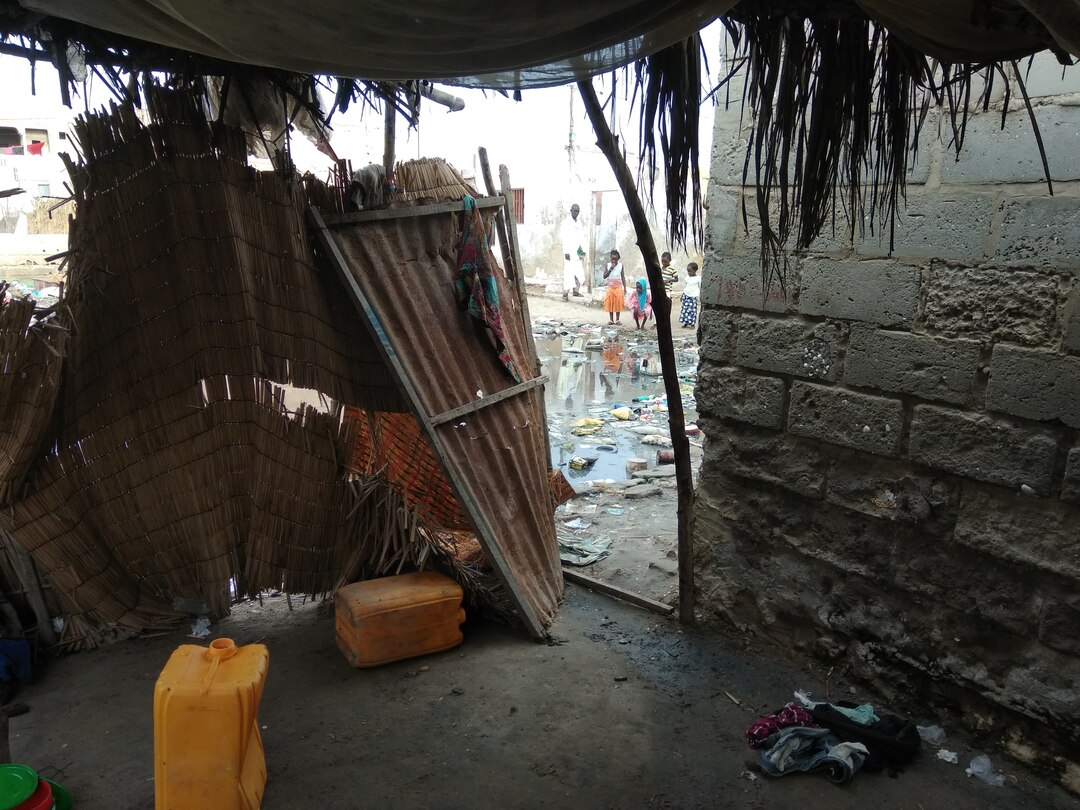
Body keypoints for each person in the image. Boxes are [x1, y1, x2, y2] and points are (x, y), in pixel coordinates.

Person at [560, 203, 586, 300]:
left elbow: (582, 237)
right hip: (569, 251)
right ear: (571, 211)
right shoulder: (565, 222)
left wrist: (583, 250)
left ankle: (576, 291)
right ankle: (565, 294)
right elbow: (563, 237)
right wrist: (566, 252)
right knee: (569, 272)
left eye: (577, 211)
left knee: (579, 271)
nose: (576, 213)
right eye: (574, 211)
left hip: (578, 250)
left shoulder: (579, 222)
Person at [602, 249, 627, 325]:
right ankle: (611, 320)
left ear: (618, 259)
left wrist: (625, 288)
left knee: (618, 302)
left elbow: (623, 277)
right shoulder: (608, 265)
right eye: (612, 259)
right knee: (610, 302)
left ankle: (617, 320)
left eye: (615, 259)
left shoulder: (620, 266)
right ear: (610, 258)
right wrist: (610, 269)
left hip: (618, 287)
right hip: (610, 287)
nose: (613, 261)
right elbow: (604, 276)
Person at [680, 261, 701, 328]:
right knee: (685, 309)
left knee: (692, 311)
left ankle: (692, 324)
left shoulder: (698, 278)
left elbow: (700, 287)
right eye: (688, 271)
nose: (688, 273)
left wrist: (699, 297)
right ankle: (685, 322)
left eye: (690, 271)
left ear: (695, 271)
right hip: (686, 295)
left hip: (693, 297)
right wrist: (682, 295)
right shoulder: (687, 277)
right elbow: (686, 286)